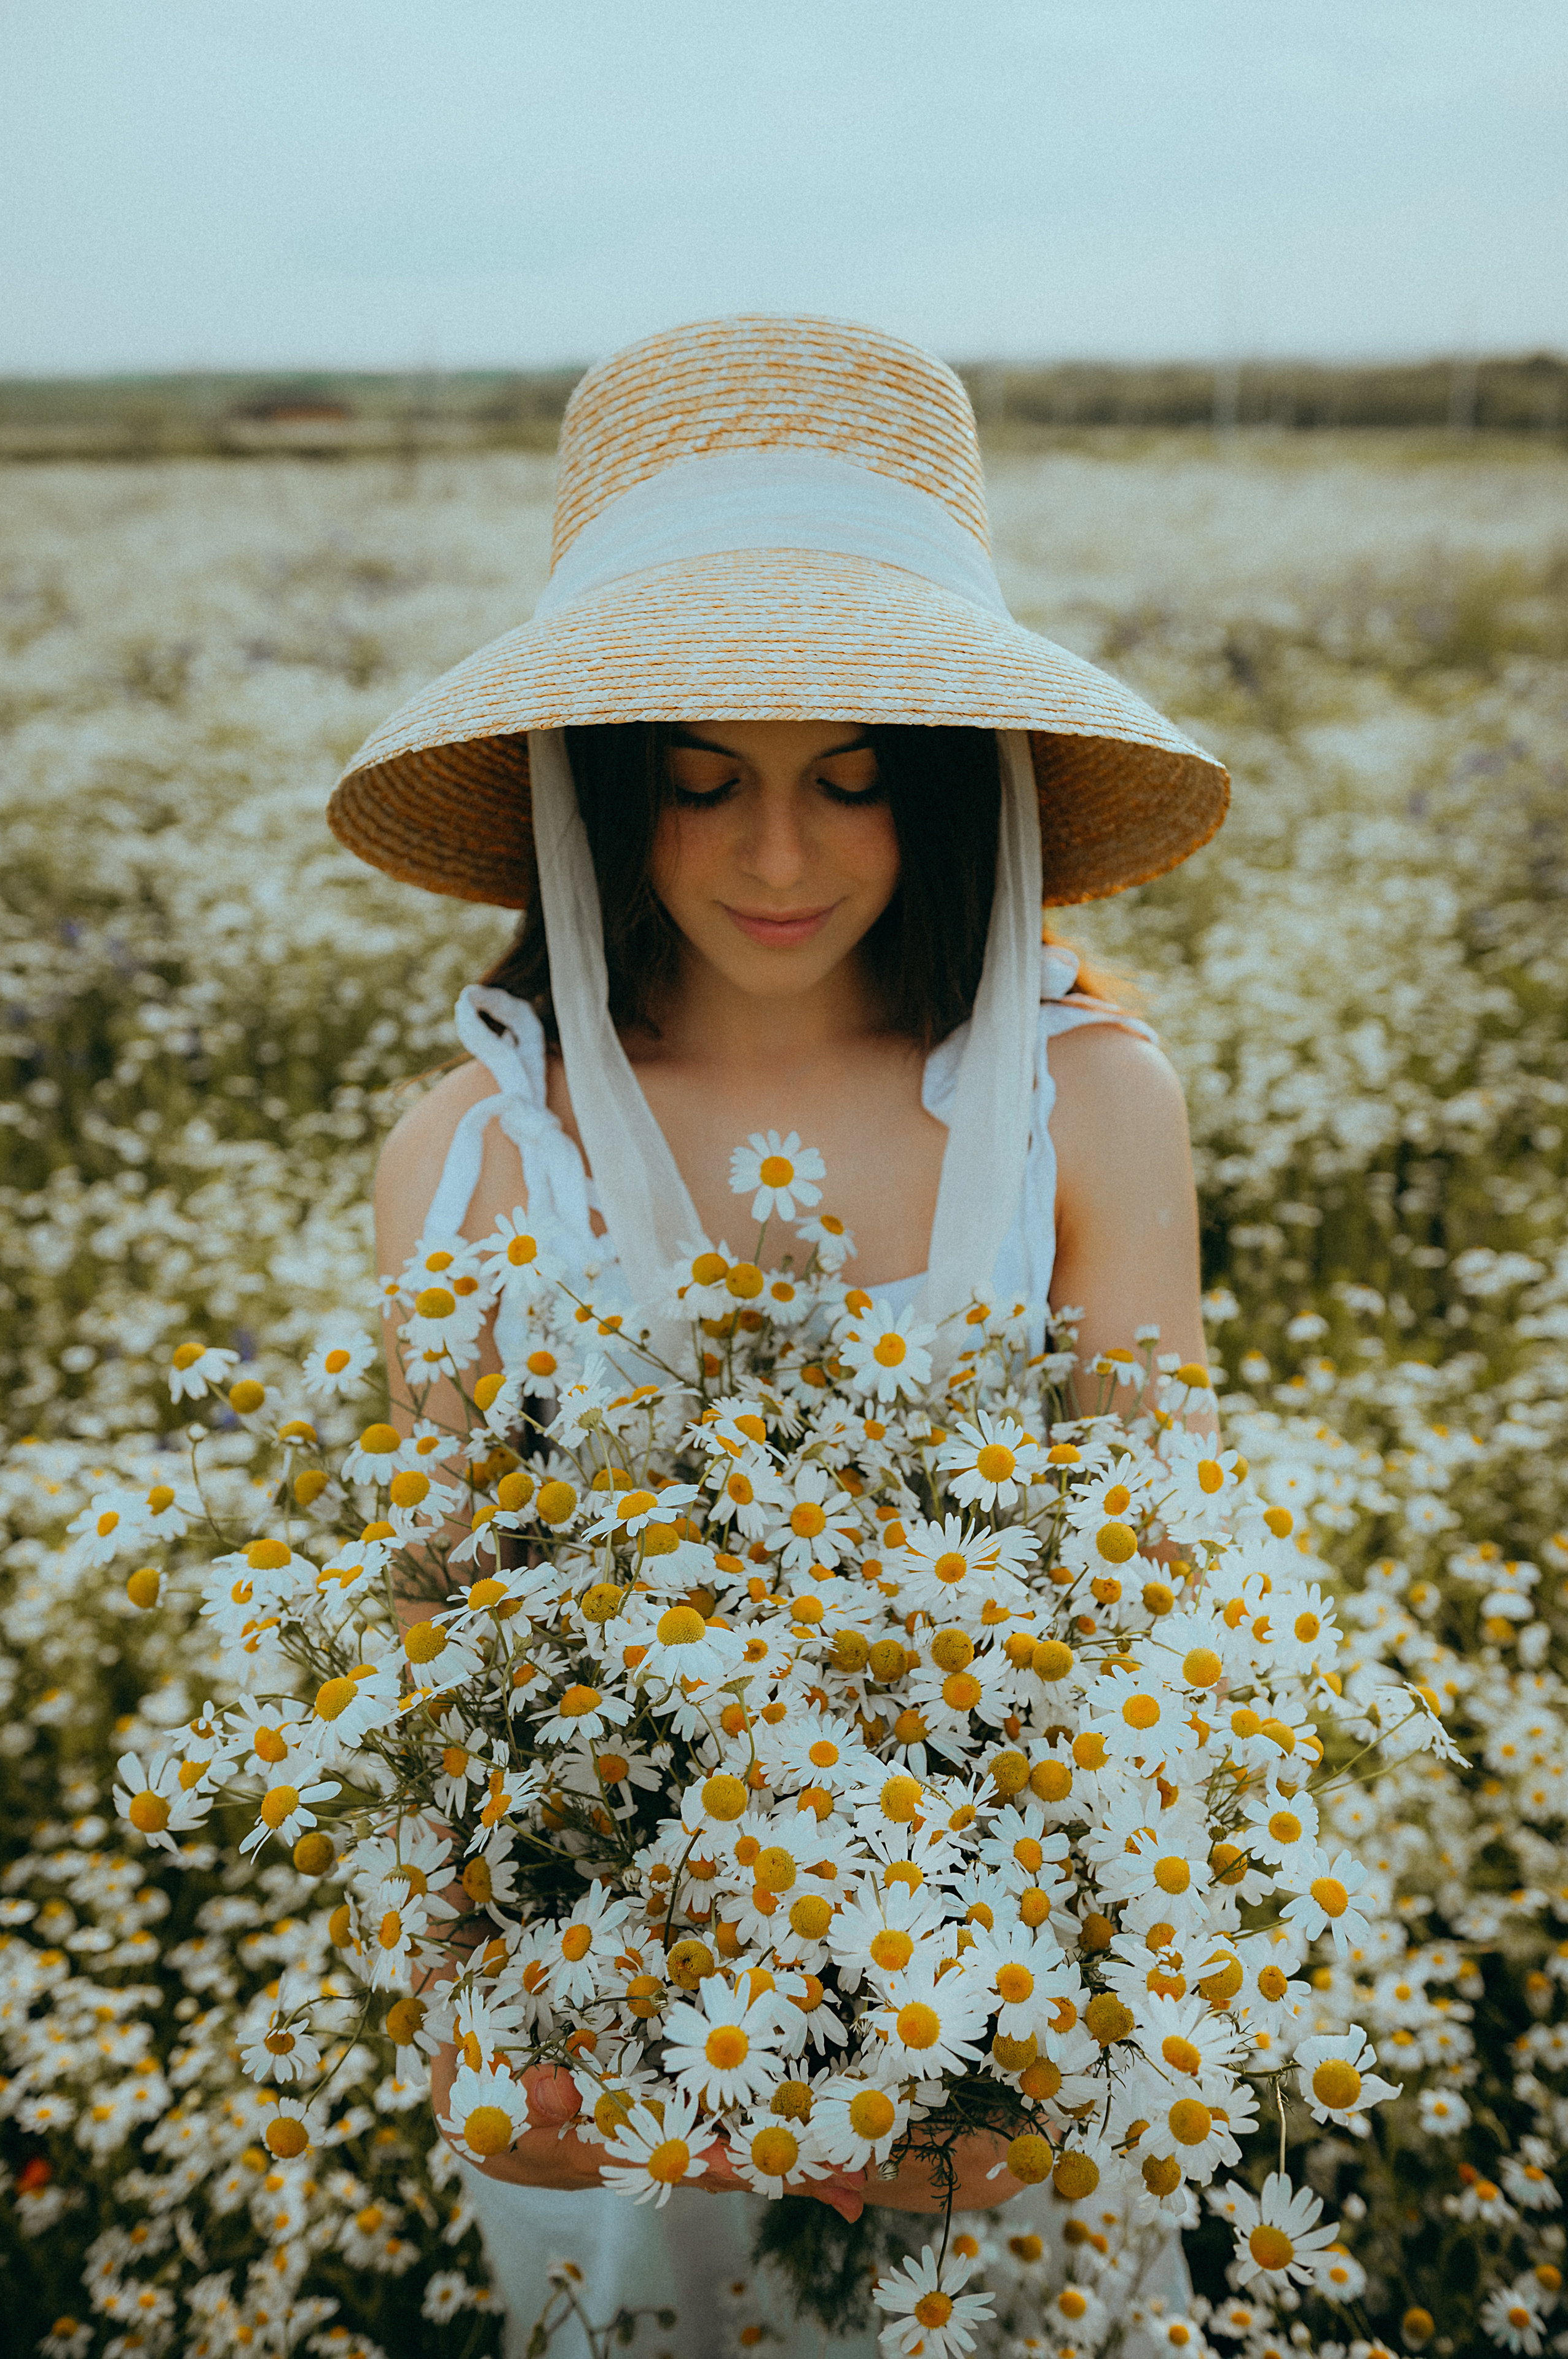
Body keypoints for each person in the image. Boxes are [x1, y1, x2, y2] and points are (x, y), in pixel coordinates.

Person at [329, 313, 1229, 2357]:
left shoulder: (1082, 1102)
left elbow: (1165, 1591)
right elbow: (438, 1618)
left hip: (999, 1994)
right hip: (619, 2034)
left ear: (954, 793)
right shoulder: (479, 1150)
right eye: (698, 782)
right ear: (593, 800)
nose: (778, 856)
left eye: (853, 780)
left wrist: (1056, 2037)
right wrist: (477, 2014)